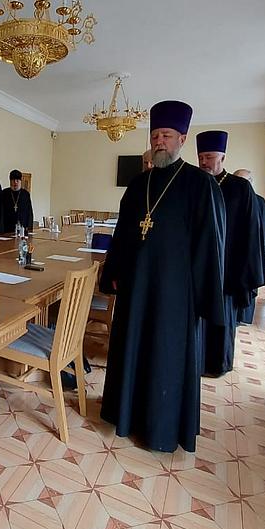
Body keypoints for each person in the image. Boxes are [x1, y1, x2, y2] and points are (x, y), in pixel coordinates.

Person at [99, 101, 225, 453]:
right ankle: (125, 416)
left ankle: (161, 429)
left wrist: (202, 295)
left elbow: (210, 245)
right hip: (136, 289)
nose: (159, 141)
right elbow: (123, 233)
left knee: (165, 359)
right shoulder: (138, 184)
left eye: (166, 135)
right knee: (131, 350)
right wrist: (114, 271)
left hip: (174, 295)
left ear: (182, 139)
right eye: (155, 135)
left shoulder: (200, 185)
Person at [197, 133, 265, 375]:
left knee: (223, 320)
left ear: (223, 157)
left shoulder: (240, 188)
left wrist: (246, 272)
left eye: (209, 157)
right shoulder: (195, 184)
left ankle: (219, 364)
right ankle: (196, 362)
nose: (204, 162)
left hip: (228, 269)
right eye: (201, 157)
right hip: (200, 267)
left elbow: (251, 231)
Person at [233, 168, 265, 324]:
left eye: (245, 181)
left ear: (251, 183)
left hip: (249, 251)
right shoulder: (229, 197)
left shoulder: (259, 202)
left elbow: (263, 229)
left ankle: (244, 317)